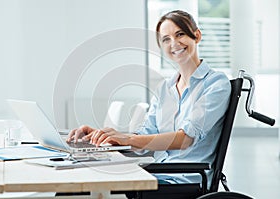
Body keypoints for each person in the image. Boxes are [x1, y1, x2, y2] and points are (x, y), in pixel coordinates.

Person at [67, 10, 231, 187]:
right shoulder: (165, 89)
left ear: (196, 36)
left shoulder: (216, 84)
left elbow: (186, 139)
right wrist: (104, 137)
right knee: (76, 185)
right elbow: (146, 135)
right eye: (166, 39)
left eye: (180, 34)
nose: (174, 43)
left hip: (184, 181)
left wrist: (128, 139)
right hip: (156, 174)